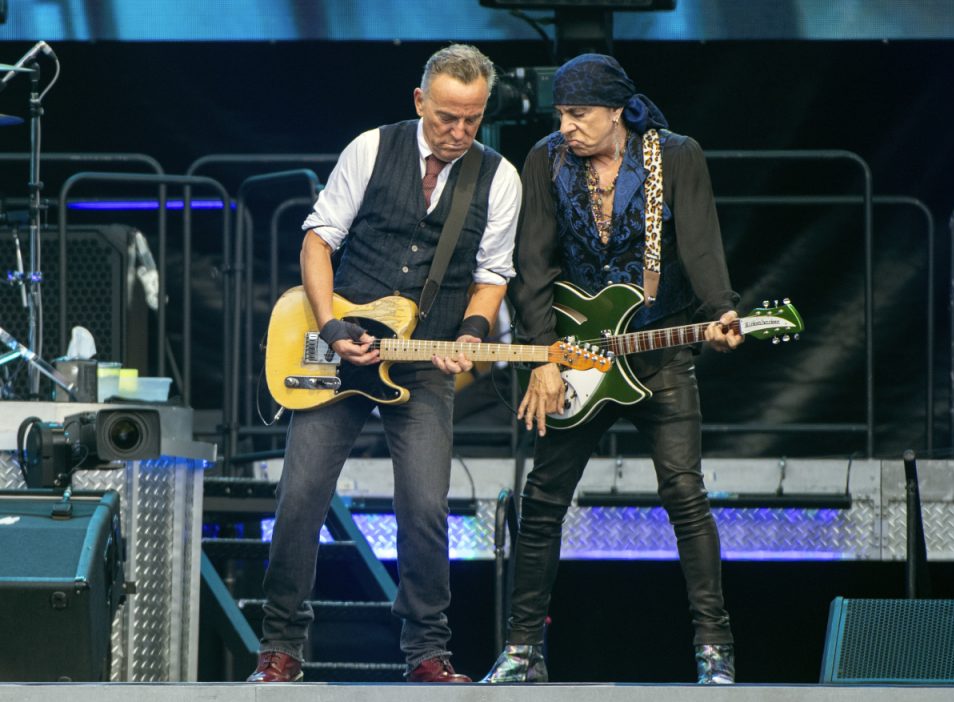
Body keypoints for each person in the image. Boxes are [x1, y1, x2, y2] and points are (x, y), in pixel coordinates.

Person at [247, 44, 521, 684]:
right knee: (299, 497)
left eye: (472, 119)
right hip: (340, 348)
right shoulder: (370, 148)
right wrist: (330, 326)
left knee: (424, 506)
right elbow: (319, 241)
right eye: (446, 116)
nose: (458, 131)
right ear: (420, 101)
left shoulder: (499, 177)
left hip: (422, 360)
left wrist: (472, 334)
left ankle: (427, 653)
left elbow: (492, 275)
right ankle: (280, 647)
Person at [482, 53, 742, 685]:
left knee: (685, 494)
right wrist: (544, 355)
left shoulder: (674, 156)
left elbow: (701, 245)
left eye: (578, 114)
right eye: (560, 114)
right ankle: (522, 652)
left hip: (658, 353)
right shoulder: (545, 159)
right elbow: (533, 264)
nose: (566, 127)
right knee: (543, 500)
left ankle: (715, 652)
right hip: (574, 355)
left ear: (617, 111)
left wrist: (721, 311)